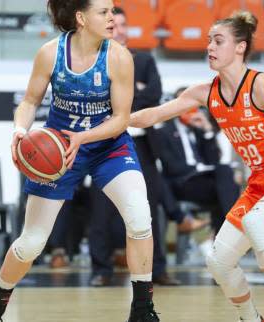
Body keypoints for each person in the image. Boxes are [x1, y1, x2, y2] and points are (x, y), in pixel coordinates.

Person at [130, 11, 264, 322]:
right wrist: (108, 123)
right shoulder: (206, 93)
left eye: (218, 41)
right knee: (218, 262)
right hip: (259, 184)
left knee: (256, 224)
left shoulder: (259, 85)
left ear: (239, 47)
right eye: (208, 41)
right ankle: (250, 318)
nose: (209, 47)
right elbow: (152, 116)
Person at [0, 1, 159, 321]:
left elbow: (121, 119)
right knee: (31, 242)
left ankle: (143, 310)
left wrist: (83, 138)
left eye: (113, 11)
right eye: (104, 13)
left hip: (106, 147)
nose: (113, 18)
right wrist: (20, 129)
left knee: (140, 217)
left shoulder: (119, 57)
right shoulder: (50, 53)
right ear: (81, 18)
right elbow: (30, 101)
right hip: (58, 149)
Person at [87, 6, 178, 287]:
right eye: (114, 23)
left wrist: (123, 99)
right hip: (104, 145)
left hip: (142, 145)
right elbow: (95, 100)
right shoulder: (92, 61)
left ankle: (157, 269)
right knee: (101, 210)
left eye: (123, 24)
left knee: (149, 209)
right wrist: (131, 92)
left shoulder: (146, 60)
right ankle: (101, 270)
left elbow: (153, 95)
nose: (119, 29)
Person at [158, 87, 239, 236]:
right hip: (183, 182)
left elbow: (214, 160)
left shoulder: (198, 130)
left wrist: (207, 129)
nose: (189, 109)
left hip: (202, 183)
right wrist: (198, 169)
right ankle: (234, 228)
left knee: (224, 176)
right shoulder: (164, 131)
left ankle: (223, 238)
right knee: (226, 186)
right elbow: (171, 166)